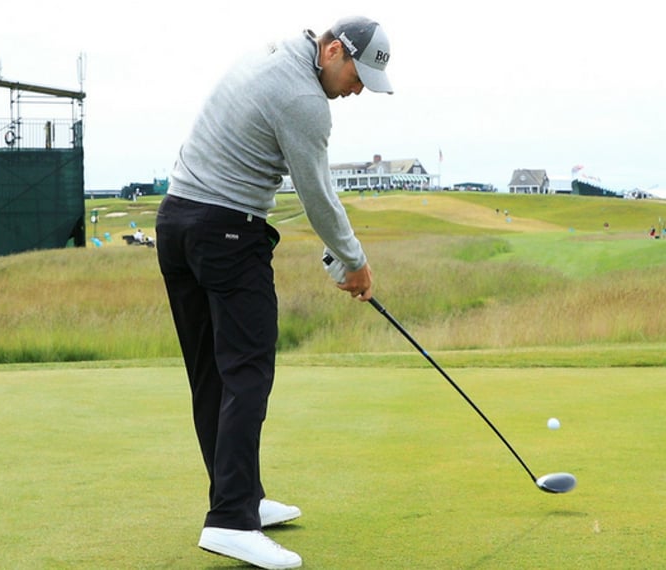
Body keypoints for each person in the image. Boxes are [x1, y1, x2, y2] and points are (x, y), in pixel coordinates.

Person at [155, 15, 391, 570]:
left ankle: (240, 501)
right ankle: (230, 522)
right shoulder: (305, 100)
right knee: (249, 371)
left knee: (216, 374)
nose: (358, 90)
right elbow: (318, 195)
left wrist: (341, 256)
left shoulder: (273, 53)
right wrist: (353, 262)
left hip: (177, 223)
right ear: (333, 51)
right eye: (358, 76)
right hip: (226, 233)